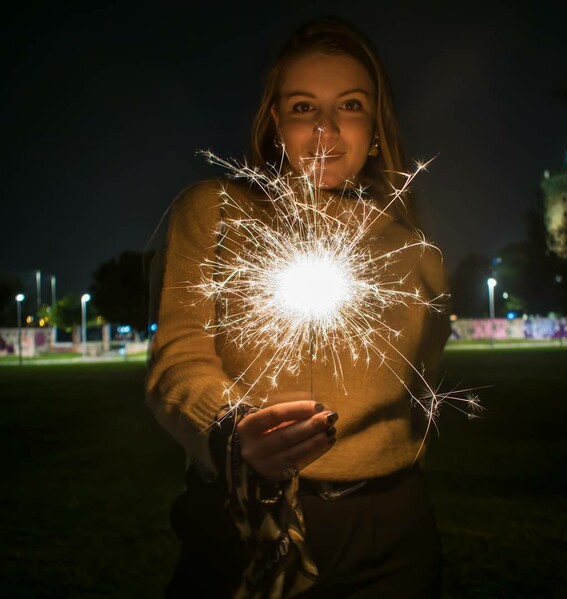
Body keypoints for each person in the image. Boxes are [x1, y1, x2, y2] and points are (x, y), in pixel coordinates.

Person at [146, 15, 451, 599]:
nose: (327, 129)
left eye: (352, 106)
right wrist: (232, 433)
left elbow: (423, 383)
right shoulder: (216, 211)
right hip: (249, 518)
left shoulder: (415, 248)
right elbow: (178, 359)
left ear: (377, 126)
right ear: (275, 121)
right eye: (304, 107)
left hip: (393, 530)